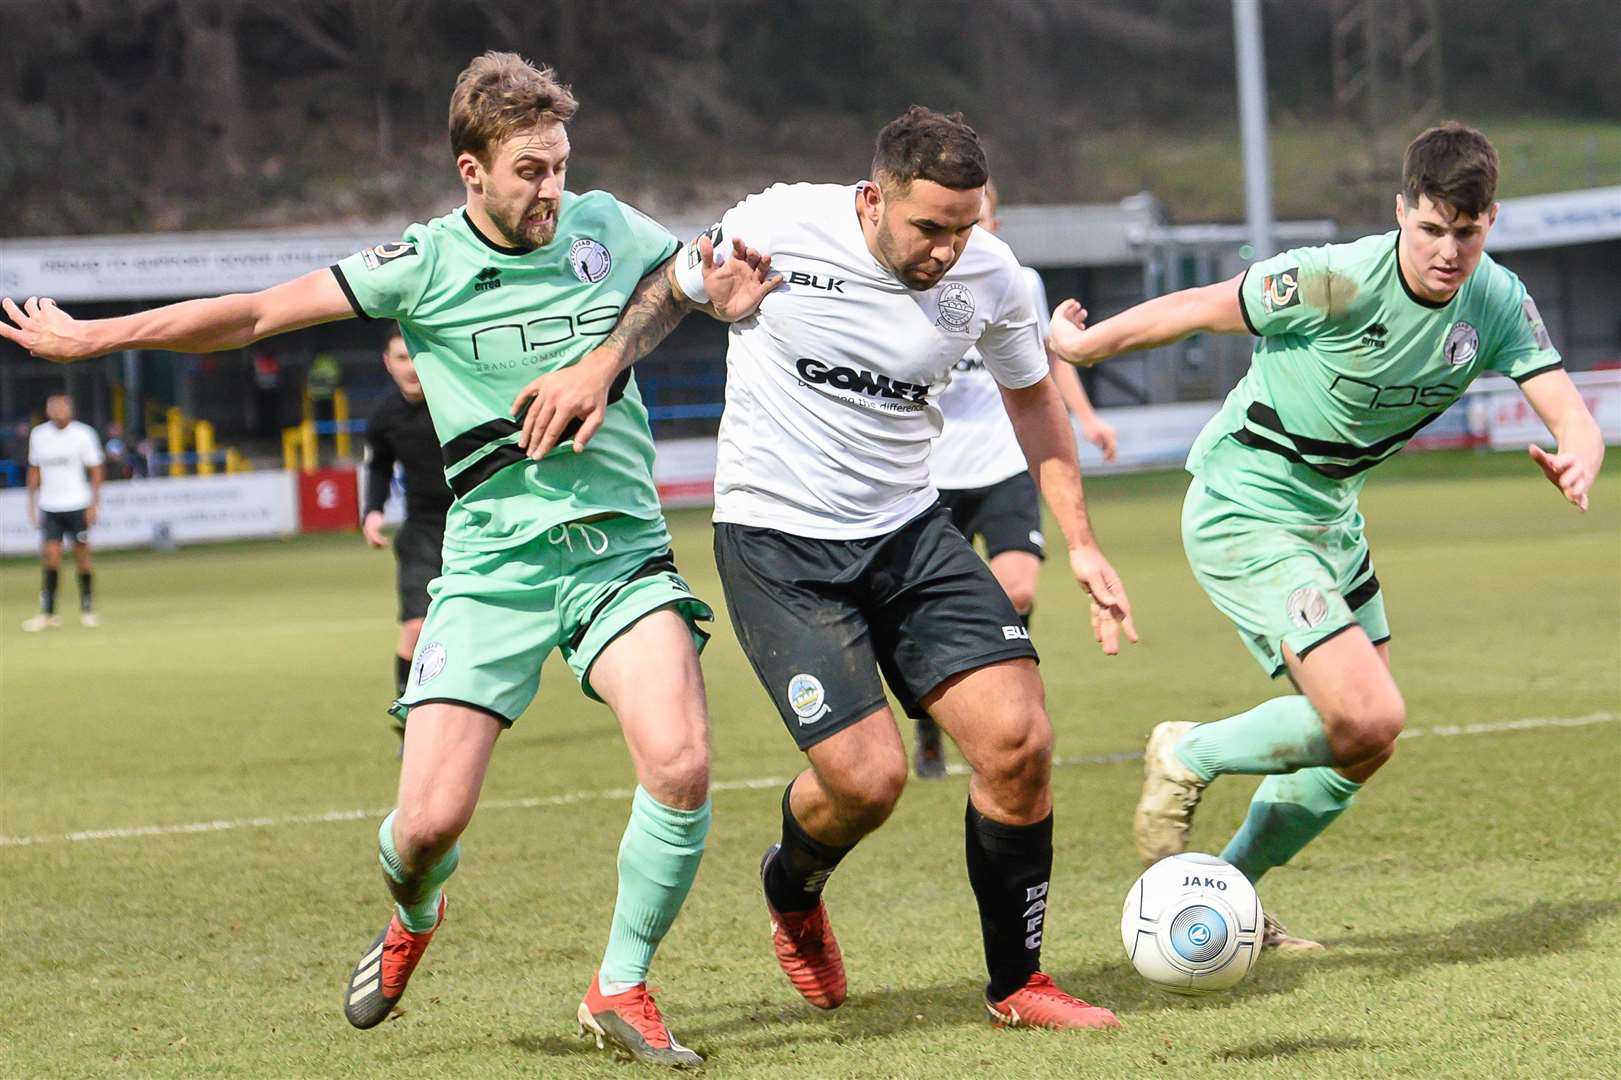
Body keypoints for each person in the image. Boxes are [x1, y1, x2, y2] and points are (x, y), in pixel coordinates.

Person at [0, 51, 777, 1068]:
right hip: (492, 569)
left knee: (679, 764)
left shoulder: (602, 224)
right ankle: (415, 915)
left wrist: (687, 309)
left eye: (560, 166)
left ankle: (620, 985)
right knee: (422, 829)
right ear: (471, 171)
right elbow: (253, 315)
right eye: (530, 172)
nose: (553, 191)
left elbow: (677, 283)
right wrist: (100, 340)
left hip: (616, 557)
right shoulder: (419, 264)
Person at [511, 106, 1136, 1031]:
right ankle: (791, 888)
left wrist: (1079, 540)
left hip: (908, 532)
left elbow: (1033, 401)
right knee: (867, 781)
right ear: (874, 198)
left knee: (1018, 742)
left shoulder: (992, 276)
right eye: (929, 228)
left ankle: (1019, 984)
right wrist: (600, 367)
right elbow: (667, 287)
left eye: (964, 228)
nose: (946, 251)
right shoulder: (778, 223)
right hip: (777, 545)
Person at [1045, 123, 1604, 951]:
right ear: (1400, 212)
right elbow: (1198, 308)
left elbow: (1569, 412)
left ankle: (1230, 898)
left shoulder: (1495, 299)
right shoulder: (1336, 279)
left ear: (1490, 222)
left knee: (1359, 747)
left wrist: (1579, 456)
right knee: (1370, 714)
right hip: (1246, 501)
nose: (1448, 252)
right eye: (1431, 229)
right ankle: (1186, 750)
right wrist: (1083, 345)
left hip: (1331, 519)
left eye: (1467, 232)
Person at [916, 178, 1119, 779]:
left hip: (1004, 463)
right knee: (932, 608)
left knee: (1019, 589)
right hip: (930, 472)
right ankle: (933, 719)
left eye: (977, 222)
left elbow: (1046, 364)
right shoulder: (912, 283)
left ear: (994, 227)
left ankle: (996, 683)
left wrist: (1086, 420)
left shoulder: (1016, 282)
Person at [362, 326, 452, 745]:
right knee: (416, 628)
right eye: (400, 359)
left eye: (413, 356)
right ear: (388, 363)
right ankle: (408, 716)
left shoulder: (454, 397)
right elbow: (378, 467)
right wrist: (373, 512)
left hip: (474, 522)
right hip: (421, 530)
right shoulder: (384, 417)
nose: (410, 368)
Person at [22, 394, 104, 631]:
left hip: (77, 503)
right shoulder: (39, 435)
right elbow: (35, 469)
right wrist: (31, 502)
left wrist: (93, 503)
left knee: (83, 557)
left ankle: (87, 608)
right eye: (54, 407)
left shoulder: (83, 434)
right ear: (48, 410)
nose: (58, 411)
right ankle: (48, 613)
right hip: (51, 505)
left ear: (71, 409)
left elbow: (96, 470)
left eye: (62, 407)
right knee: (51, 555)